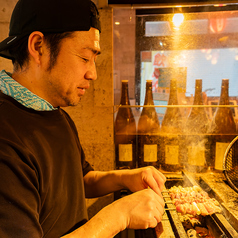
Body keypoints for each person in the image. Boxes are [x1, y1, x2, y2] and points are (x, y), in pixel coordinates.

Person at [0, 0, 166, 237]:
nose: (93, 74)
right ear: (38, 47)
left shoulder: (56, 115)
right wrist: (120, 215)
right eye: (85, 57)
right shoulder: (6, 137)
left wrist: (127, 177)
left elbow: (82, 179)